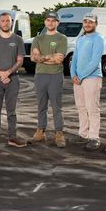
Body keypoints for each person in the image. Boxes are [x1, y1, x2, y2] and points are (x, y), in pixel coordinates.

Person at [0, 12, 27, 148]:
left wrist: (8, 73)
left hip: (13, 80)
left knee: (11, 111)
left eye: (8, 21)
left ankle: (12, 137)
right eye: (3, 21)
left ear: (11, 22)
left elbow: (20, 61)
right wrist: (0, 74)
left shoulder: (18, 39)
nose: (5, 23)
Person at [30, 11, 68, 148]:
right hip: (40, 76)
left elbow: (59, 60)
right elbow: (34, 58)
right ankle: (40, 131)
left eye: (53, 20)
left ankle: (59, 133)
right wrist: (49, 57)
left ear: (58, 23)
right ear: (45, 22)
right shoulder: (38, 39)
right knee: (41, 105)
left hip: (55, 76)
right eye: (48, 20)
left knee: (56, 106)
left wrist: (42, 58)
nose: (50, 23)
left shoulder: (62, 38)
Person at [69, 13, 105, 151]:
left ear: (96, 24)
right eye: (85, 21)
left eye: (91, 22)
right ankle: (83, 134)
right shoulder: (81, 39)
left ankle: (94, 137)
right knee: (81, 107)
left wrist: (81, 76)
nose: (87, 24)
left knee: (92, 108)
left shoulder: (98, 38)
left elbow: (95, 61)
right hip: (78, 78)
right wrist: (73, 75)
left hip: (92, 77)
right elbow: (75, 58)